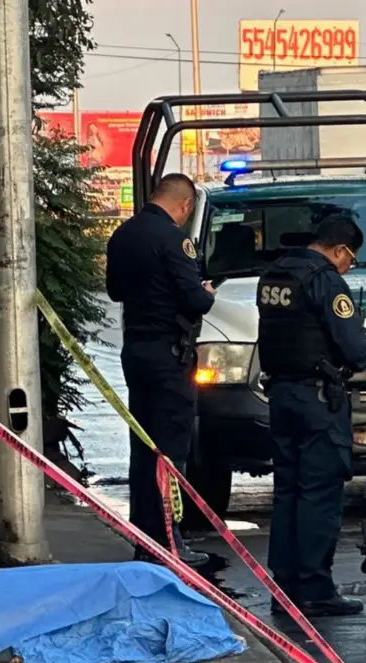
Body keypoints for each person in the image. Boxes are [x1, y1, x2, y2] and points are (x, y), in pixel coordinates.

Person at [258, 215, 366, 617]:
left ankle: (285, 587)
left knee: (287, 492)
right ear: (340, 250)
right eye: (350, 260)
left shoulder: (275, 274)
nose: (347, 267)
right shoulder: (325, 280)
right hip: (318, 400)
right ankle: (315, 588)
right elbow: (355, 351)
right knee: (319, 495)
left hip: (282, 396)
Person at [105, 173, 216, 568]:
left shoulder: (124, 234)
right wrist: (205, 293)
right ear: (185, 206)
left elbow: (115, 291)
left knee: (143, 448)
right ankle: (170, 542)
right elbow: (195, 301)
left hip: (137, 352)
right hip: (170, 358)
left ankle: (145, 537)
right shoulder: (174, 238)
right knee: (170, 453)